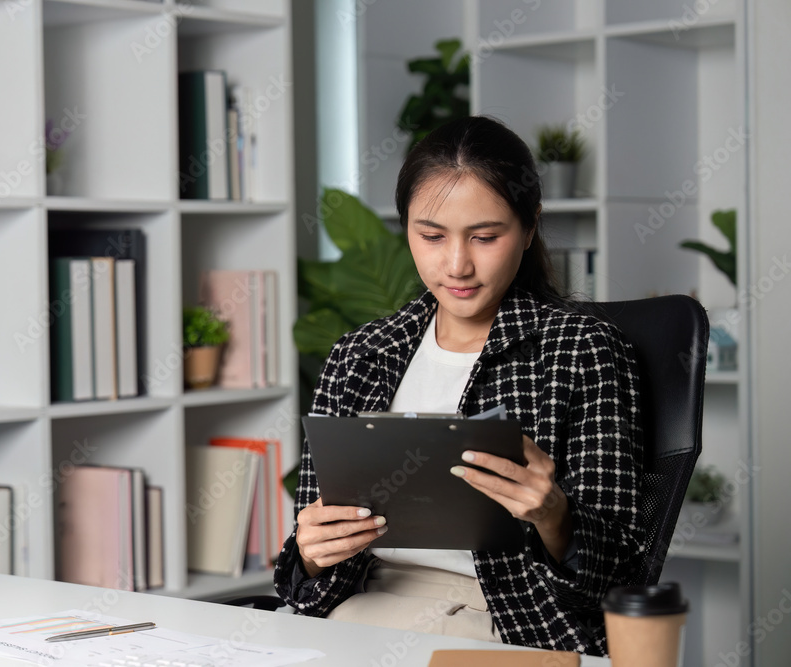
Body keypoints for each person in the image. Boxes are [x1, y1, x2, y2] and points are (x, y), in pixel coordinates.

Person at [273, 116, 645, 656]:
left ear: (530, 226)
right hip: (353, 615)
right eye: (431, 235)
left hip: (505, 623)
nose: (457, 264)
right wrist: (310, 552)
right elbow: (302, 580)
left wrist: (554, 514)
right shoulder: (360, 355)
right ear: (406, 230)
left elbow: (622, 577)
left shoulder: (581, 350)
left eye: (486, 237)